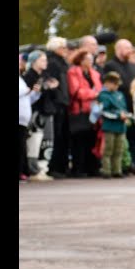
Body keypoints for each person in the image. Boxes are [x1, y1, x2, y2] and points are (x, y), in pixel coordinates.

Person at [104, 39, 135, 173]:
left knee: (134, 137)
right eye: (127, 48)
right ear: (119, 49)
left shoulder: (133, 66)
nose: (130, 51)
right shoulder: (110, 65)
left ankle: (131, 162)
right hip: (119, 107)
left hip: (134, 107)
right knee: (120, 141)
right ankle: (119, 166)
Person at [66, 49, 103, 178]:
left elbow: (99, 89)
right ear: (81, 60)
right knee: (79, 141)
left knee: (92, 139)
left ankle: (92, 167)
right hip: (79, 111)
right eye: (88, 59)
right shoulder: (73, 72)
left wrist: (97, 95)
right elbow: (76, 91)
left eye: (91, 59)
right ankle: (79, 168)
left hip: (94, 111)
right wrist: (94, 94)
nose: (90, 62)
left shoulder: (95, 73)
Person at [43, 37, 73, 178]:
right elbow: (51, 82)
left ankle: (62, 166)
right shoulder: (53, 62)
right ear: (56, 48)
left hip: (64, 102)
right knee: (57, 136)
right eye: (63, 48)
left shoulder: (62, 62)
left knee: (63, 136)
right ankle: (54, 167)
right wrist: (58, 95)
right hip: (57, 103)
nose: (66, 50)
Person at [96, 71, 131, 178]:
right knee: (108, 149)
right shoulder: (103, 95)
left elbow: (123, 108)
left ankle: (117, 170)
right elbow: (104, 111)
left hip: (120, 125)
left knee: (119, 149)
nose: (116, 86)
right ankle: (106, 170)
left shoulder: (119, 95)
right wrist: (117, 115)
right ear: (107, 83)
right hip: (110, 125)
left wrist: (125, 115)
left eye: (117, 84)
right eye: (114, 84)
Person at [20, 58, 43, 181]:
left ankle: (23, 171)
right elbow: (22, 93)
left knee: (23, 147)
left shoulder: (21, 80)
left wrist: (35, 93)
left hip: (23, 120)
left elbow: (28, 99)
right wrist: (28, 90)